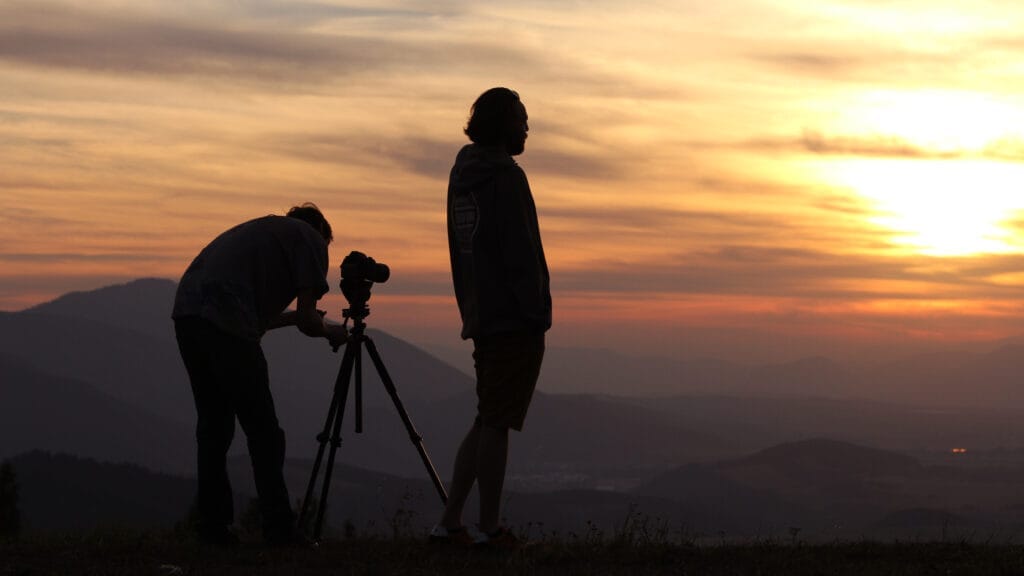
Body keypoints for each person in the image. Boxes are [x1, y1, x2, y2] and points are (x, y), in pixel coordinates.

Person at [172, 203, 348, 546]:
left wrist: (301, 318)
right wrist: (331, 331)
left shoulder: (266, 233)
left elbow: (260, 320)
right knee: (264, 431)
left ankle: (212, 528)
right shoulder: (312, 240)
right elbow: (308, 320)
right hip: (226, 318)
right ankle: (279, 528)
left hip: (188, 313)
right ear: (322, 235)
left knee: (214, 426)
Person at [432, 88, 552, 548]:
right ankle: (488, 527)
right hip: (513, 319)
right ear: (503, 124)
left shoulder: (463, 176)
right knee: (497, 423)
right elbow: (520, 251)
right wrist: (535, 312)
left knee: (486, 418)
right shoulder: (506, 178)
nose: (528, 127)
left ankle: (450, 522)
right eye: (522, 118)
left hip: (481, 313)